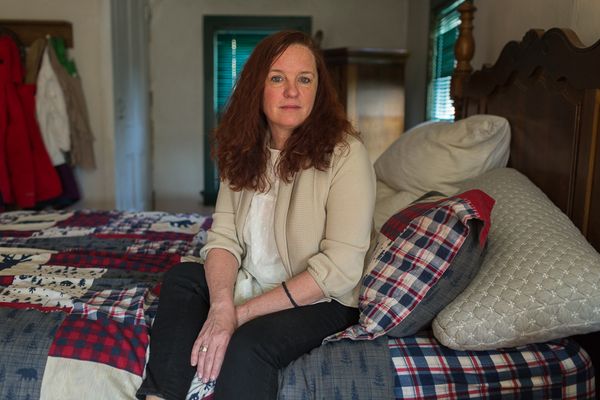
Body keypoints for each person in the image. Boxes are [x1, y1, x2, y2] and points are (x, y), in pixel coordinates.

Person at [136, 30, 375, 400]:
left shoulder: (346, 155)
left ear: (318, 90)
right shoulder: (245, 147)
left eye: (304, 79)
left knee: (248, 344)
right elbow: (224, 238)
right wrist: (220, 305)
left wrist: (239, 315)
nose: (292, 91)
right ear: (256, 88)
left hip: (320, 300)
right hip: (252, 281)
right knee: (183, 278)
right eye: (277, 78)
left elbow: (340, 268)